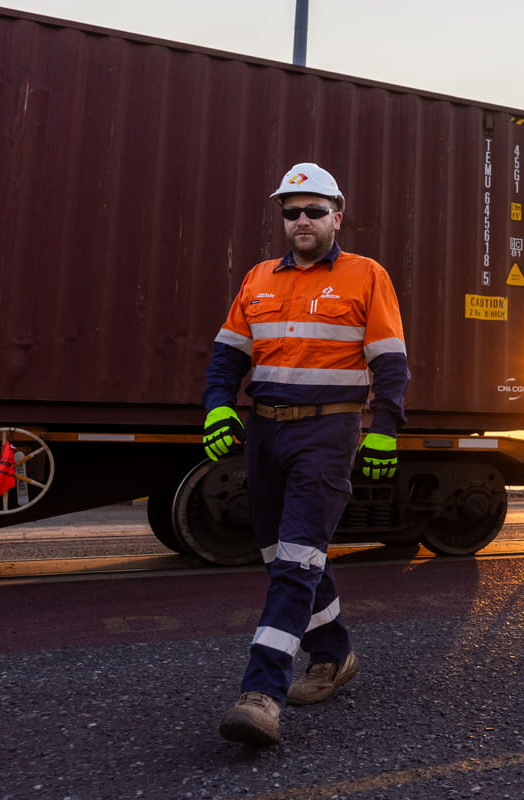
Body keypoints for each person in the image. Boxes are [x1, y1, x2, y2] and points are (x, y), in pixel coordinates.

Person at [202, 162, 409, 746]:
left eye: (314, 210)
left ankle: (262, 693)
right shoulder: (258, 278)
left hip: (327, 433)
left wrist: (385, 428)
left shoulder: (366, 275)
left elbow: (391, 363)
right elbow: (227, 357)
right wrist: (217, 407)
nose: (302, 220)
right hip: (265, 434)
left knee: (296, 562)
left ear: (337, 216)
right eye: (291, 212)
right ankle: (334, 654)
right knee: (284, 557)